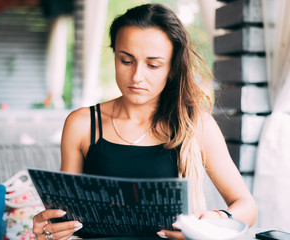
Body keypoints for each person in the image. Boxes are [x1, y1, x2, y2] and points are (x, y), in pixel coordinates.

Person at [33, 3, 258, 240]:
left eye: (153, 65)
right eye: (126, 61)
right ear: (115, 56)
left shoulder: (196, 125)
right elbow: (64, 215)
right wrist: (49, 231)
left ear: (171, 68)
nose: (137, 76)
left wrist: (220, 218)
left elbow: (247, 207)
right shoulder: (82, 124)